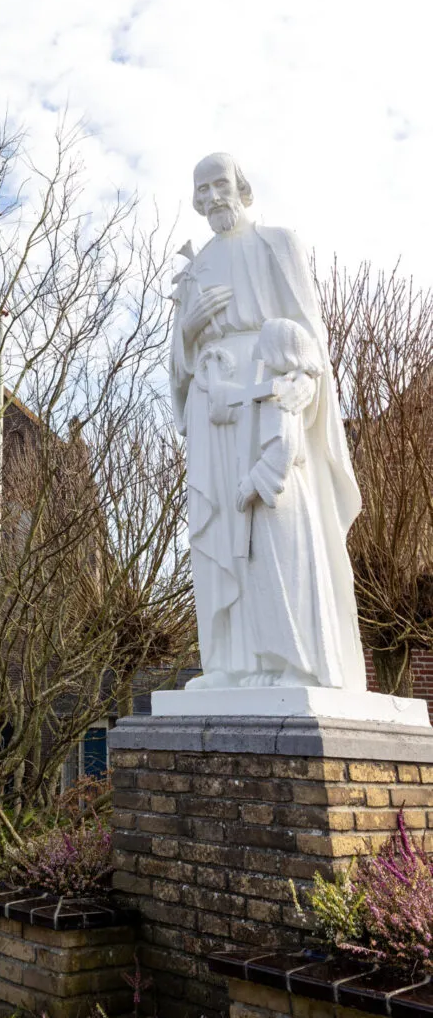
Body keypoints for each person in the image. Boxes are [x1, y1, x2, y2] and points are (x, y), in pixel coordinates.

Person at [171, 153, 365, 691]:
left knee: (274, 522)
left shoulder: (278, 245)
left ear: (242, 188)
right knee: (220, 528)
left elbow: (310, 338)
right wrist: (187, 329)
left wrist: (304, 385)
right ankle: (231, 664)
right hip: (212, 406)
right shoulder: (198, 265)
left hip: (268, 396)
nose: (212, 199)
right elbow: (177, 366)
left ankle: (290, 661)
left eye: (220, 186)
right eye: (201, 189)